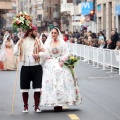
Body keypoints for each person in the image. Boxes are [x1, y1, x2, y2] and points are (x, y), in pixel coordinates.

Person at [41, 27, 82, 111]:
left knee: (63, 81)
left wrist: (63, 60)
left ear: (58, 34)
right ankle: (52, 101)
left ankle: (62, 102)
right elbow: (45, 53)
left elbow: (67, 52)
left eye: (55, 33)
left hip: (60, 62)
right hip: (51, 63)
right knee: (51, 82)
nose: (53, 34)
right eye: (52, 33)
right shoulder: (47, 43)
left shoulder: (62, 43)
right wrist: (41, 56)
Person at [13, 25, 45, 113]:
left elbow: (44, 52)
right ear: (30, 31)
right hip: (25, 66)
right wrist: (18, 45)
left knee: (37, 88)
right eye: (35, 31)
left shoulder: (38, 41)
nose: (37, 33)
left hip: (37, 66)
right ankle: (25, 106)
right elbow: (15, 52)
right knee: (24, 87)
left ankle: (37, 106)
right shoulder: (22, 40)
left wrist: (38, 55)